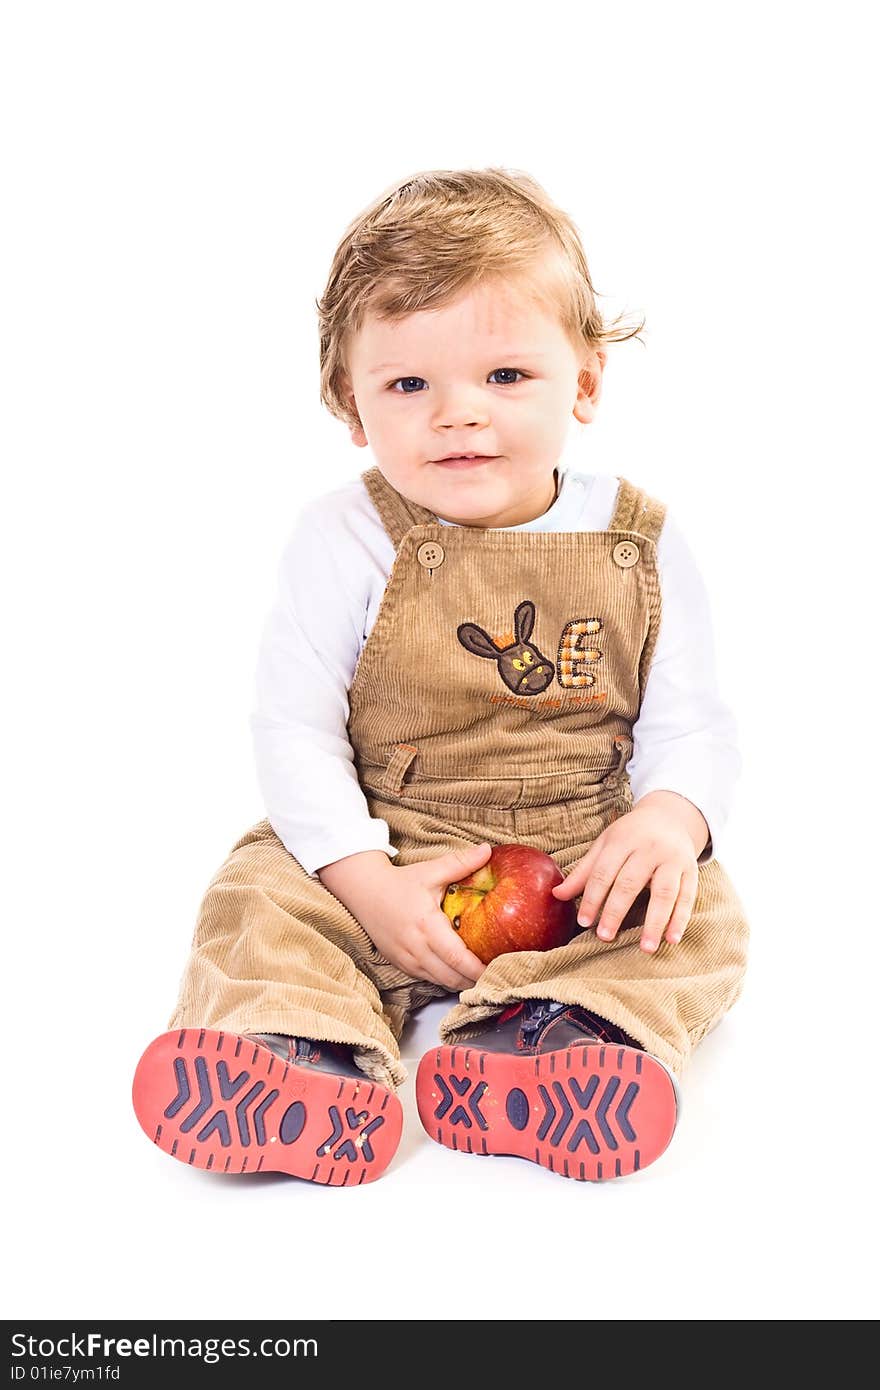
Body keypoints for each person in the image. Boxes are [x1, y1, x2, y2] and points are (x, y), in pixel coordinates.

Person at [132, 166, 749, 1186]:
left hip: (575, 858)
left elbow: (693, 722)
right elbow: (294, 731)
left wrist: (665, 824)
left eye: (505, 378)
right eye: (408, 385)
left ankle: (551, 1037)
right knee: (258, 893)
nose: (458, 415)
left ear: (584, 381)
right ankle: (298, 1052)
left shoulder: (639, 538)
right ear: (350, 402)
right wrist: (363, 884)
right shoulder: (343, 535)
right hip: (387, 838)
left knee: (701, 908)